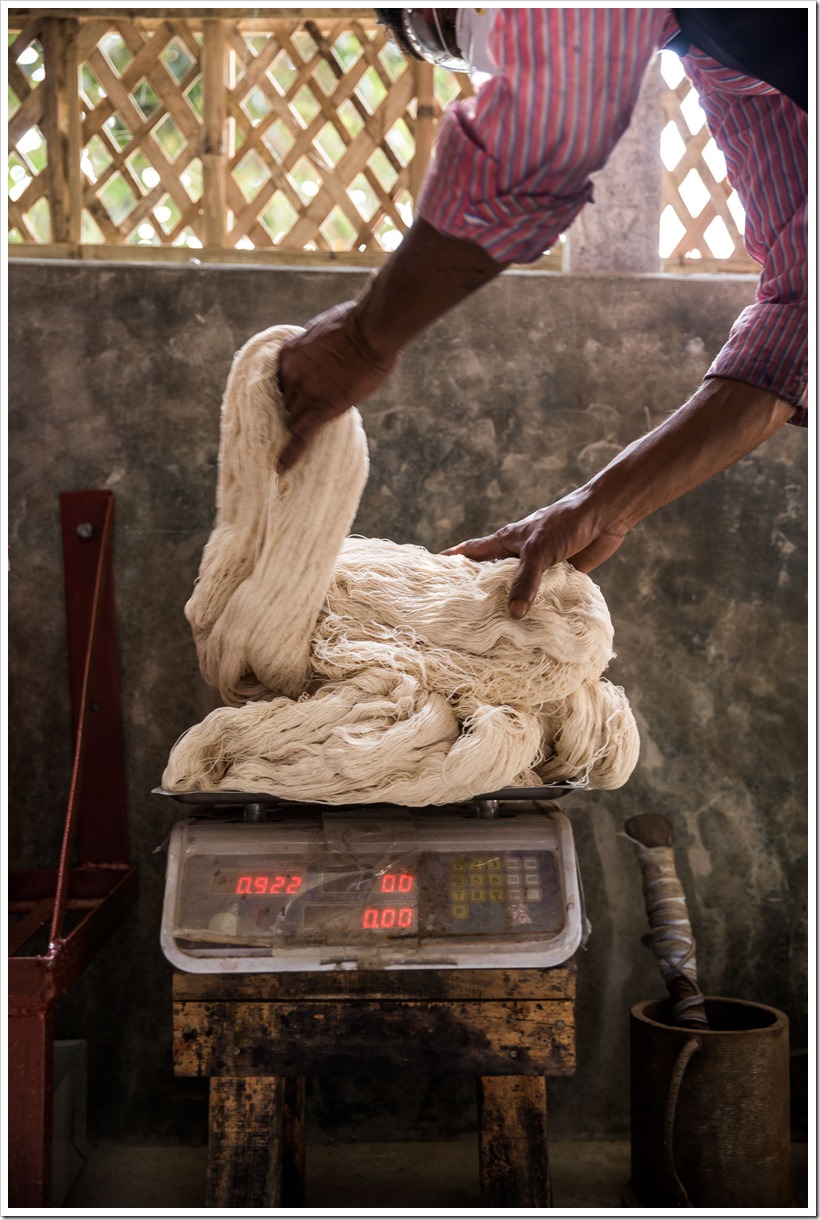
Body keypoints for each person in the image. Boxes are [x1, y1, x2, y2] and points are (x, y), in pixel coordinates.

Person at [277, 8, 808, 619]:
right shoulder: (729, 65)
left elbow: (544, 137)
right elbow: (801, 309)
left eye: (452, 23)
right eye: (461, 48)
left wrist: (362, 341)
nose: (505, 45)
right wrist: (601, 506)